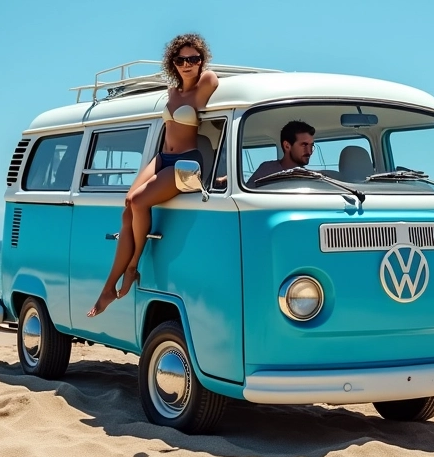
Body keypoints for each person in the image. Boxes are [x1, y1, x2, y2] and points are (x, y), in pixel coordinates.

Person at [87, 34, 218, 317]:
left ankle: (133, 266)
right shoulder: (172, 92)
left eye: (193, 59)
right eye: (181, 59)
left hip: (185, 161)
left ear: (201, 61)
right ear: (173, 63)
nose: (187, 64)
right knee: (128, 205)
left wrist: (202, 71)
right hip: (162, 157)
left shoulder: (206, 82)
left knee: (139, 202)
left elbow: (214, 81)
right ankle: (108, 287)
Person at [247, 120, 315, 186]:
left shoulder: (311, 177)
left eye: (311, 145)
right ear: (287, 146)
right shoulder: (266, 169)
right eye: (304, 145)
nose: (310, 152)